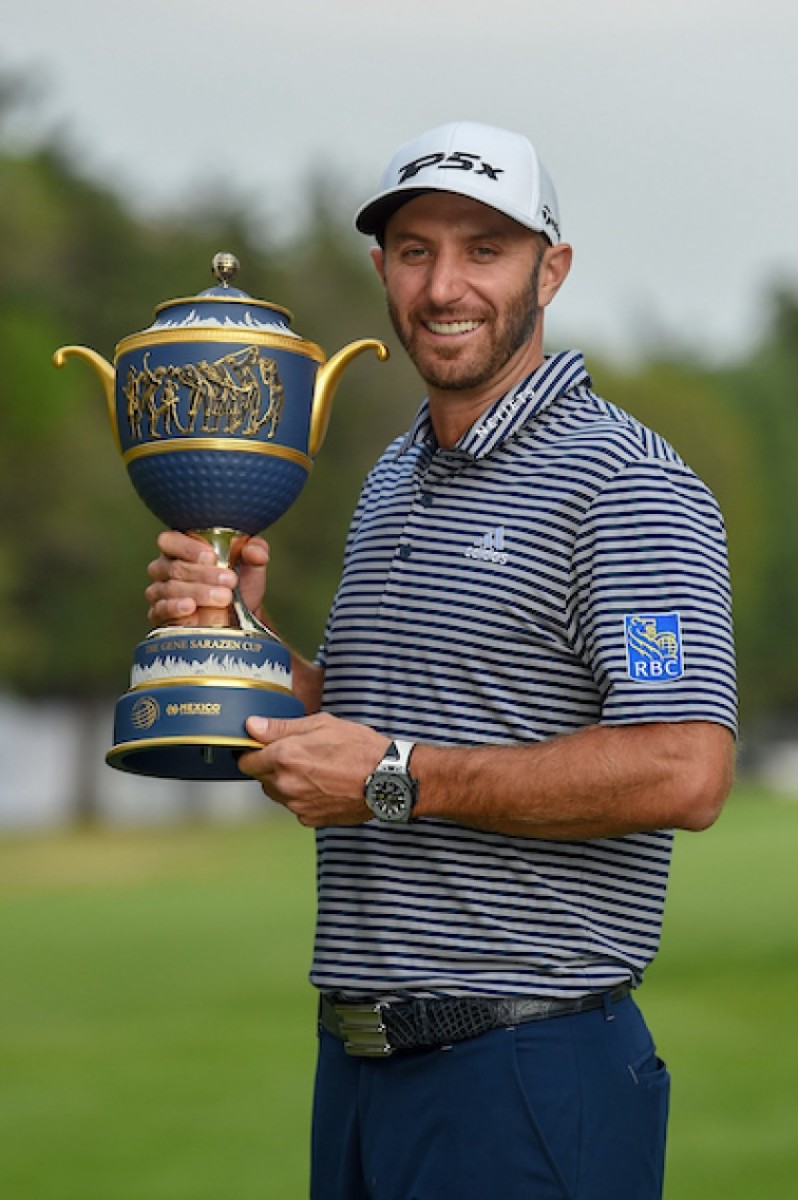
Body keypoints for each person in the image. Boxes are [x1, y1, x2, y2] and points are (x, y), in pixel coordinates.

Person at [146, 121, 737, 1199]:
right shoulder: (393, 477)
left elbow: (683, 769)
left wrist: (394, 779)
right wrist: (235, 644)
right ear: (382, 269)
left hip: (526, 1070)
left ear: (550, 269)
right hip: (363, 1072)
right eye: (416, 249)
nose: (445, 284)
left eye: (485, 249)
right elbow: (364, 724)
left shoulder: (628, 486)